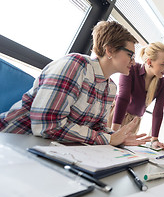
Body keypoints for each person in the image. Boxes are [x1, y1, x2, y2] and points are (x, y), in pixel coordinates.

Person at [0, 21, 150, 146]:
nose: (133, 61)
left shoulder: (110, 87)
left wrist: (119, 137)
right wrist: (109, 139)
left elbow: (96, 127)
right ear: (109, 50)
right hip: (13, 141)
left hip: (49, 148)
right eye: (130, 54)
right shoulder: (76, 65)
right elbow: (47, 126)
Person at [110, 42, 164, 148]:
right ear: (149, 61)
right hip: (116, 116)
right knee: (105, 146)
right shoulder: (132, 69)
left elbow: (158, 110)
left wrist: (154, 140)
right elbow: (123, 98)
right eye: (163, 64)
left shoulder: (163, 83)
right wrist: (114, 131)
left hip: (133, 122)